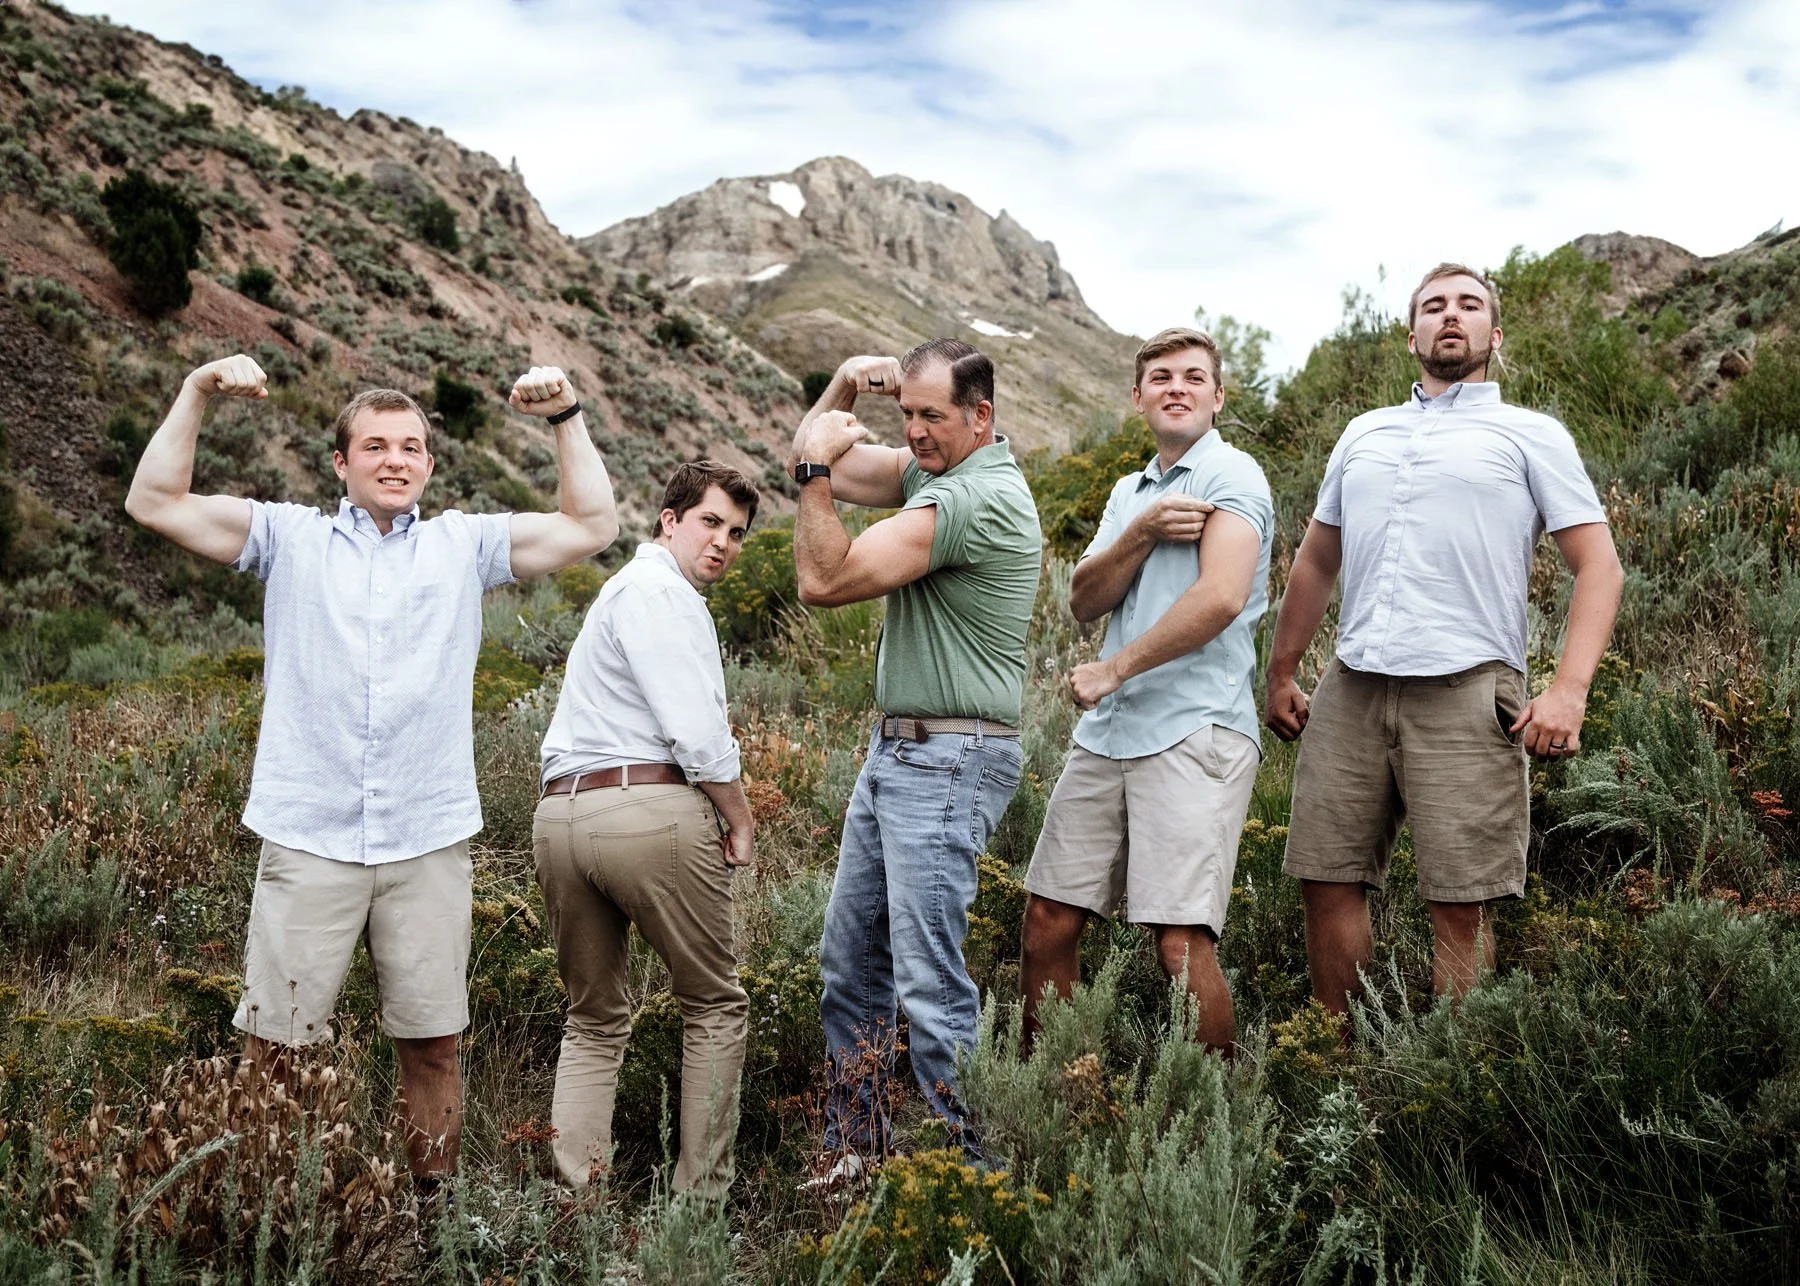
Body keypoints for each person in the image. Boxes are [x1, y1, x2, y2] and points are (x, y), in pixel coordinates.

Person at [124, 355, 618, 1199]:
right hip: (308, 834)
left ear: (429, 464)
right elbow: (154, 501)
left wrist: (567, 416)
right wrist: (197, 389)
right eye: (376, 446)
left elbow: (591, 523)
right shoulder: (288, 538)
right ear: (340, 463)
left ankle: (434, 1224)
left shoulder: (464, 545)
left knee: (433, 1046)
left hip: (426, 838)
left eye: (411, 447)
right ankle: (272, 1218)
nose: (396, 459)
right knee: (276, 1048)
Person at [1265, 263, 1624, 1011]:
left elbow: (1599, 566)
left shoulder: (1531, 435)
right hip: (1353, 687)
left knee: (1461, 903)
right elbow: (1318, 558)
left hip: (1468, 688)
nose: (1450, 315)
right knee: (1326, 880)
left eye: (1469, 304)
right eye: (1434, 306)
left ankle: (1445, 1069)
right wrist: (1282, 671)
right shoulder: (1365, 432)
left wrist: (1568, 690)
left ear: (1496, 333)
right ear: (1412, 336)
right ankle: (1339, 1059)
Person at [787, 340, 1041, 1177]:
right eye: (907, 414)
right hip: (902, 754)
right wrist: (839, 389)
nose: (915, 431)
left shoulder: (972, 498)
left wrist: (814, 474)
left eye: (932, 416)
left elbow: (824, 579)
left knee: (928, 981)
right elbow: (817, 451)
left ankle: (974, 1180)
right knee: (852, 963)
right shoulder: (938, 473)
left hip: (949, 760)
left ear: (980, 416)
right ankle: (856, 1157)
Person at [1019, 327, 1272, 1056]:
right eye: (1161, 377)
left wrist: (1115, 669)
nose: (1176, 388)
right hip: (1110, 734)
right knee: (1047, 922)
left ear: (1217, 396)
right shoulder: (1129, 492)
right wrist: (1143, 531)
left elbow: (1222, 596)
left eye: (1193, 377)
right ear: (1138, 398)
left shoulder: (1233, 475)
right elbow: (1083, 598)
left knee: (1179, 944)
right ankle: (1054, 1098)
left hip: (1195, 729)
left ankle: (1217, 1111)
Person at [531, 461, 760, 1200]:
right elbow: (696, 733)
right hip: (644, 811)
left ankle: (575, 1204)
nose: (723, 543)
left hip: (559, 816)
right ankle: (700, 1206)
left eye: (737, 533)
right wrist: (739, 815)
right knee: (714, 1004)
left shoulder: (618, 592)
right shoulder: (664, 593)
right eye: (710, 522)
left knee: (593, 1018)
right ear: (670, 520)